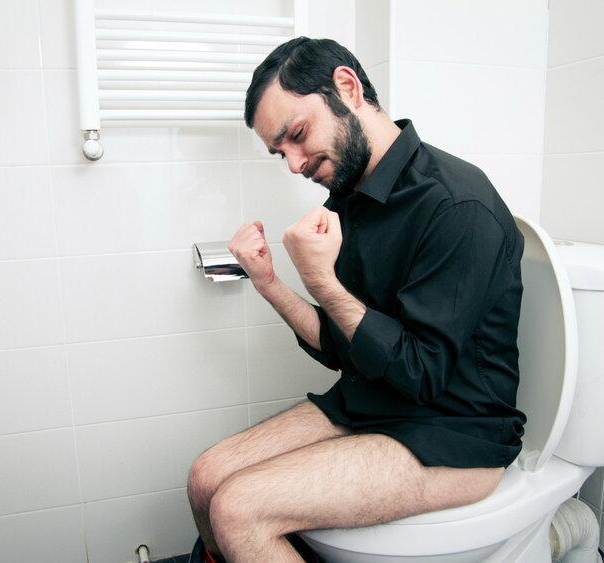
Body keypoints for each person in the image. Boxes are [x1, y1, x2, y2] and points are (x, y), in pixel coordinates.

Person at [186, 36, 527, 563]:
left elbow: (420, 373)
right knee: (206, 479)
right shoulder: (350, 199)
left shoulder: (457, 205)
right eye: (280, 152)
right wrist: (269, 282)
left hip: (455, 432)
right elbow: (341, 345)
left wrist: (323, 282)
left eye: (297, 135)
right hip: (371, 402)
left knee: (237, 509)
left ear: (347, 88)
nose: (294, 164)